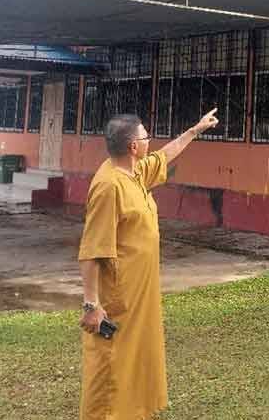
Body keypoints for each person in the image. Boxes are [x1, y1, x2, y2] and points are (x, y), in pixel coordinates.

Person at [77, 109, 218, 420]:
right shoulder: (109, 186)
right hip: (118, 297)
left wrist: (194, 130)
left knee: (137, 358)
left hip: (141, 291)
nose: (150, 143)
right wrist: (91, 305)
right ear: (132, 146)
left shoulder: (136, 171)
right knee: (112, 362)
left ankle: (132, 412)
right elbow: (91, 250)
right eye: (145, 138)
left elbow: (165, 156)